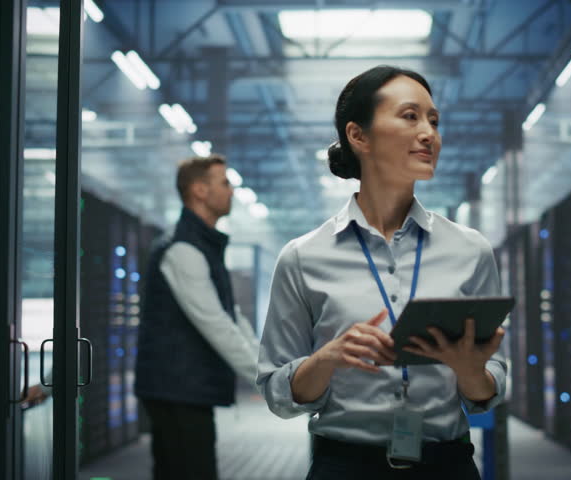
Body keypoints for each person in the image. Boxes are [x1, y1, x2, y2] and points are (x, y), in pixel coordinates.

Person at [256, 66, 506, 480]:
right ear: (359, 136)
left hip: (447, 466)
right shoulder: (302, 257)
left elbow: (491, 385)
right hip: (344, 467)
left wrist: (469, 371)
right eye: (410, 116)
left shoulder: (470, 250)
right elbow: (276, 391)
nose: (429, 133)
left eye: (434, 120)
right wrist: (326, 359)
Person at [134, 154, 259, 480]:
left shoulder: (201, 246)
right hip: (176, 389)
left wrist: (271, 367)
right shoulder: (183, 249)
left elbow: (231, 316)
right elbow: (216, 324)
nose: (231, 190)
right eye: (225, 183)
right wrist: (269, 379)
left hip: (182, 389)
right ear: (200, 191)